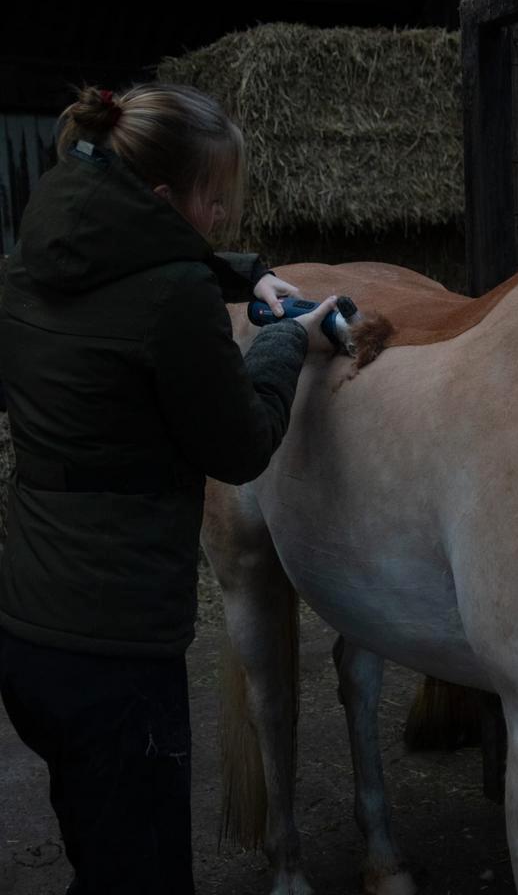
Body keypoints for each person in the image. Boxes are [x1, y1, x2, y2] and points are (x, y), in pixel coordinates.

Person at [0, 82, 337, 895]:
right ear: (161, 197)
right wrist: (282, 339)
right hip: (120, 654)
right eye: (213, 200)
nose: (222, 217)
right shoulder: (175, 297)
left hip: (30, 634)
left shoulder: (23, 267)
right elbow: (244, 444)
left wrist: (245, 275)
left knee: (99, 848)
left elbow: (132, 272)